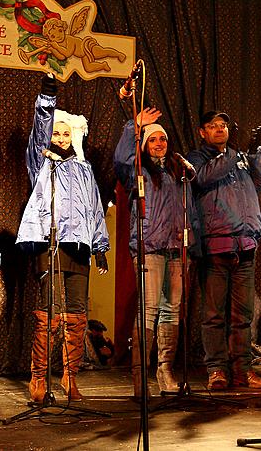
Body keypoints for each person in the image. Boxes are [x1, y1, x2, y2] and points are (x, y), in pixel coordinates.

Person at [17, 74, 109, 403]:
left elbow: (95, 208)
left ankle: (70, 379)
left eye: (66, 132)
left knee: (76, 316)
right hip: (49, 245)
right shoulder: (40, 163)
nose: (60, 137)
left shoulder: (83, 169)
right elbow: (40, 130)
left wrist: (100, 247)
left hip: (79, 249)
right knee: (48, 316)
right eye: (56, 132)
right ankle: (39, 379)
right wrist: (47, 97)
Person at [113, 107, 199, 397]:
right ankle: (140, 379)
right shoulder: (137, 171)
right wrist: (134, 127)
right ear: (144, 144)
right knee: (149, 310)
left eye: (162, 139)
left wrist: (191, 238)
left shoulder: (177, 172)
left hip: (177, 249)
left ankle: (165, 371)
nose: (159, 144)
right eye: (153, 140)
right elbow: (121, 158)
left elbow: (189, 209)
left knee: (172, 310)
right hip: (150, 247)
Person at [186, 110, 261, 390]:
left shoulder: (240, 158)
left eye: (223, 125)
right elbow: (201, 179)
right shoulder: (198, 158)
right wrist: (233, 155)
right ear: (202, 132)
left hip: (246, 245)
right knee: (214, 315)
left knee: (243, 315)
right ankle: (216, 370)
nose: (220, 129)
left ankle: (242, 370)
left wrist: (255, 151)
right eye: (213, 126)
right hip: (215, 245)